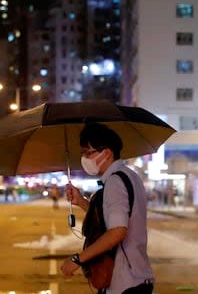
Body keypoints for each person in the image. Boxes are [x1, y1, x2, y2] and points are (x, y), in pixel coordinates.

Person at [60, 123, 154, 294]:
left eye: (89, 153)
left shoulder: (115, 183)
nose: (85, 159)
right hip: (137, 278)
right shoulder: (130, 176)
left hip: (125, 283)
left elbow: (117, 231)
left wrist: (77, 259)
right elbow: (109, 220)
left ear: (107, 153)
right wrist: (80, 201)